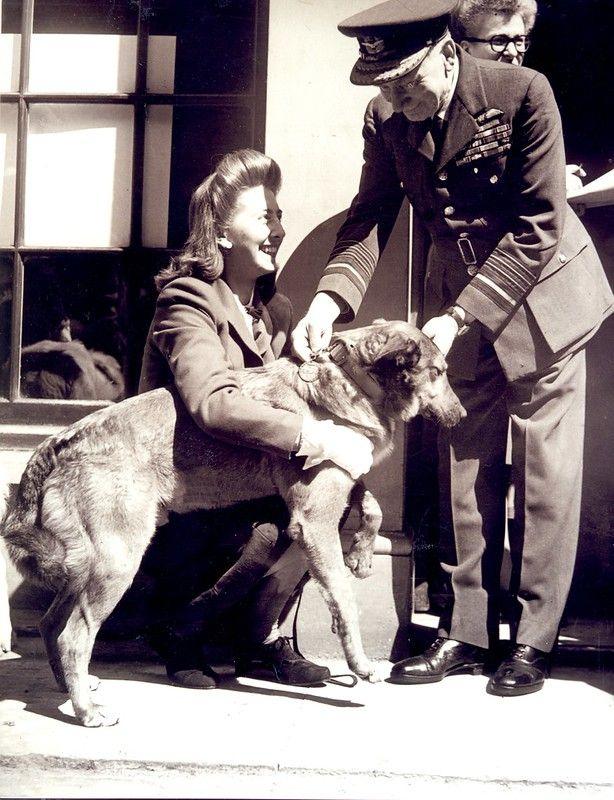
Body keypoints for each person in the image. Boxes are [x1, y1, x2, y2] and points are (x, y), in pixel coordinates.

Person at [292, 0, 614, 696]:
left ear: (445, 53)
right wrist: (329, 300)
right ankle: (466, 634)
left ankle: (532, 640)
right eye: (385, 86)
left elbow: (538, 223)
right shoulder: (386, 116)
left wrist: (461, 315)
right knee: (465, 470)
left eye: (407, 84)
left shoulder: (522, 92)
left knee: (545, 477)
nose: (397, 100)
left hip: (543, 301)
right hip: (457, 308)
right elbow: (370, 215)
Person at [139, 148, 373, 689]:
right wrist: (315, 436)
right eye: (264, 217)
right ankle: (181, 632)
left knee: (330, 503)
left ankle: (259, 639)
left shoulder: (277, 312)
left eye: (280, 215)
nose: (278, 229)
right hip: (186, 491)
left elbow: (293, 399)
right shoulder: (187, 301)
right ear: (221, 233)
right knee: (268, 530)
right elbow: (213, 404)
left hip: (246, 484)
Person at [450, 0, 585, 194]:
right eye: (499, 41)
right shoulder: (445, 102)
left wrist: (549, 176)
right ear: (465, 49)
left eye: (519, 41)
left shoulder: (531, 97)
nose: (513, 53)